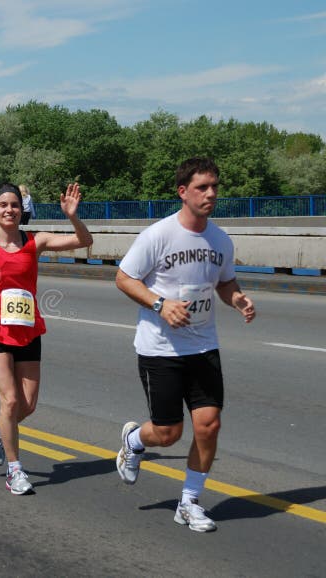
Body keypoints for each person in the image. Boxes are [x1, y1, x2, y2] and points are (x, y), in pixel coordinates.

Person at [114, 157, 256, 532]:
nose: (211, 193)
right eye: (202, 187)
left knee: (208, 426)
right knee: (168, 433)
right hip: (160, 348)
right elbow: (124, 278)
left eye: (214, 186)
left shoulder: (220, 239)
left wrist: (237, 298)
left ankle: (189, 502)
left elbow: (225, 282)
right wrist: (160, 305)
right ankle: (133, 440)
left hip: (203, 345)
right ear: (183, 192)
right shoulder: (158, 235)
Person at [0, 183, 93, 494]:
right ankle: (15, 471)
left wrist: (72, 215)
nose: (9, 209)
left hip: (26, 328)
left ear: (21, 209)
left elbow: (84, 241)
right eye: (2, 204)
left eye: (14, 204)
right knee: (11, 400)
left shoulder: (35, 241)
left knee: (26, 406)